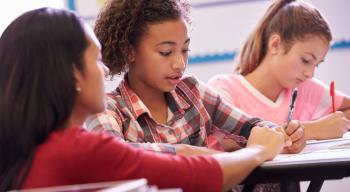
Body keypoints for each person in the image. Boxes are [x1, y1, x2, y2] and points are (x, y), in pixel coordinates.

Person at [0, 7, 287, 191]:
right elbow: (197, 176)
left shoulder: (31, 149)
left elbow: (167, 160)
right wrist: (258, 151)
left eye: (184, 51)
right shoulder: (79, 149)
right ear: (74, 74)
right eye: (96, 60)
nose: (103, 70)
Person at [86, 0, 304, 154]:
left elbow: (249, 126)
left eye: (185, 50)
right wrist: (188, 154)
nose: (179, 64)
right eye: (166, 52)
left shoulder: (191, 90)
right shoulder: (108, 109)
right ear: (129, 51)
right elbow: (112, 155)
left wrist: (284, 135)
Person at [208, 0, 350, 141]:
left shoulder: (305, 88)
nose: (310, 74)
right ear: (275, 44)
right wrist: (311, 130)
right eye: (306, 60)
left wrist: (333, 125)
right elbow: (217, 144)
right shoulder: (224, 89)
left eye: (317, 64)